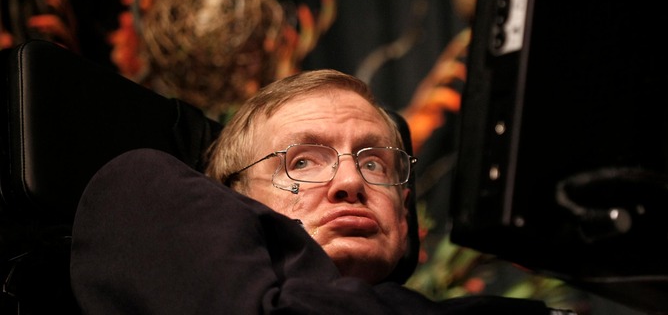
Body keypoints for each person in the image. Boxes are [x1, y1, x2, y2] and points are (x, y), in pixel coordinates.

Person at [69, 69, 570, 314]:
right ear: (231, 197)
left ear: (404, 211)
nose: (351, 183)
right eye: (303, 162)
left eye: (373, 163)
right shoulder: (141, 190)